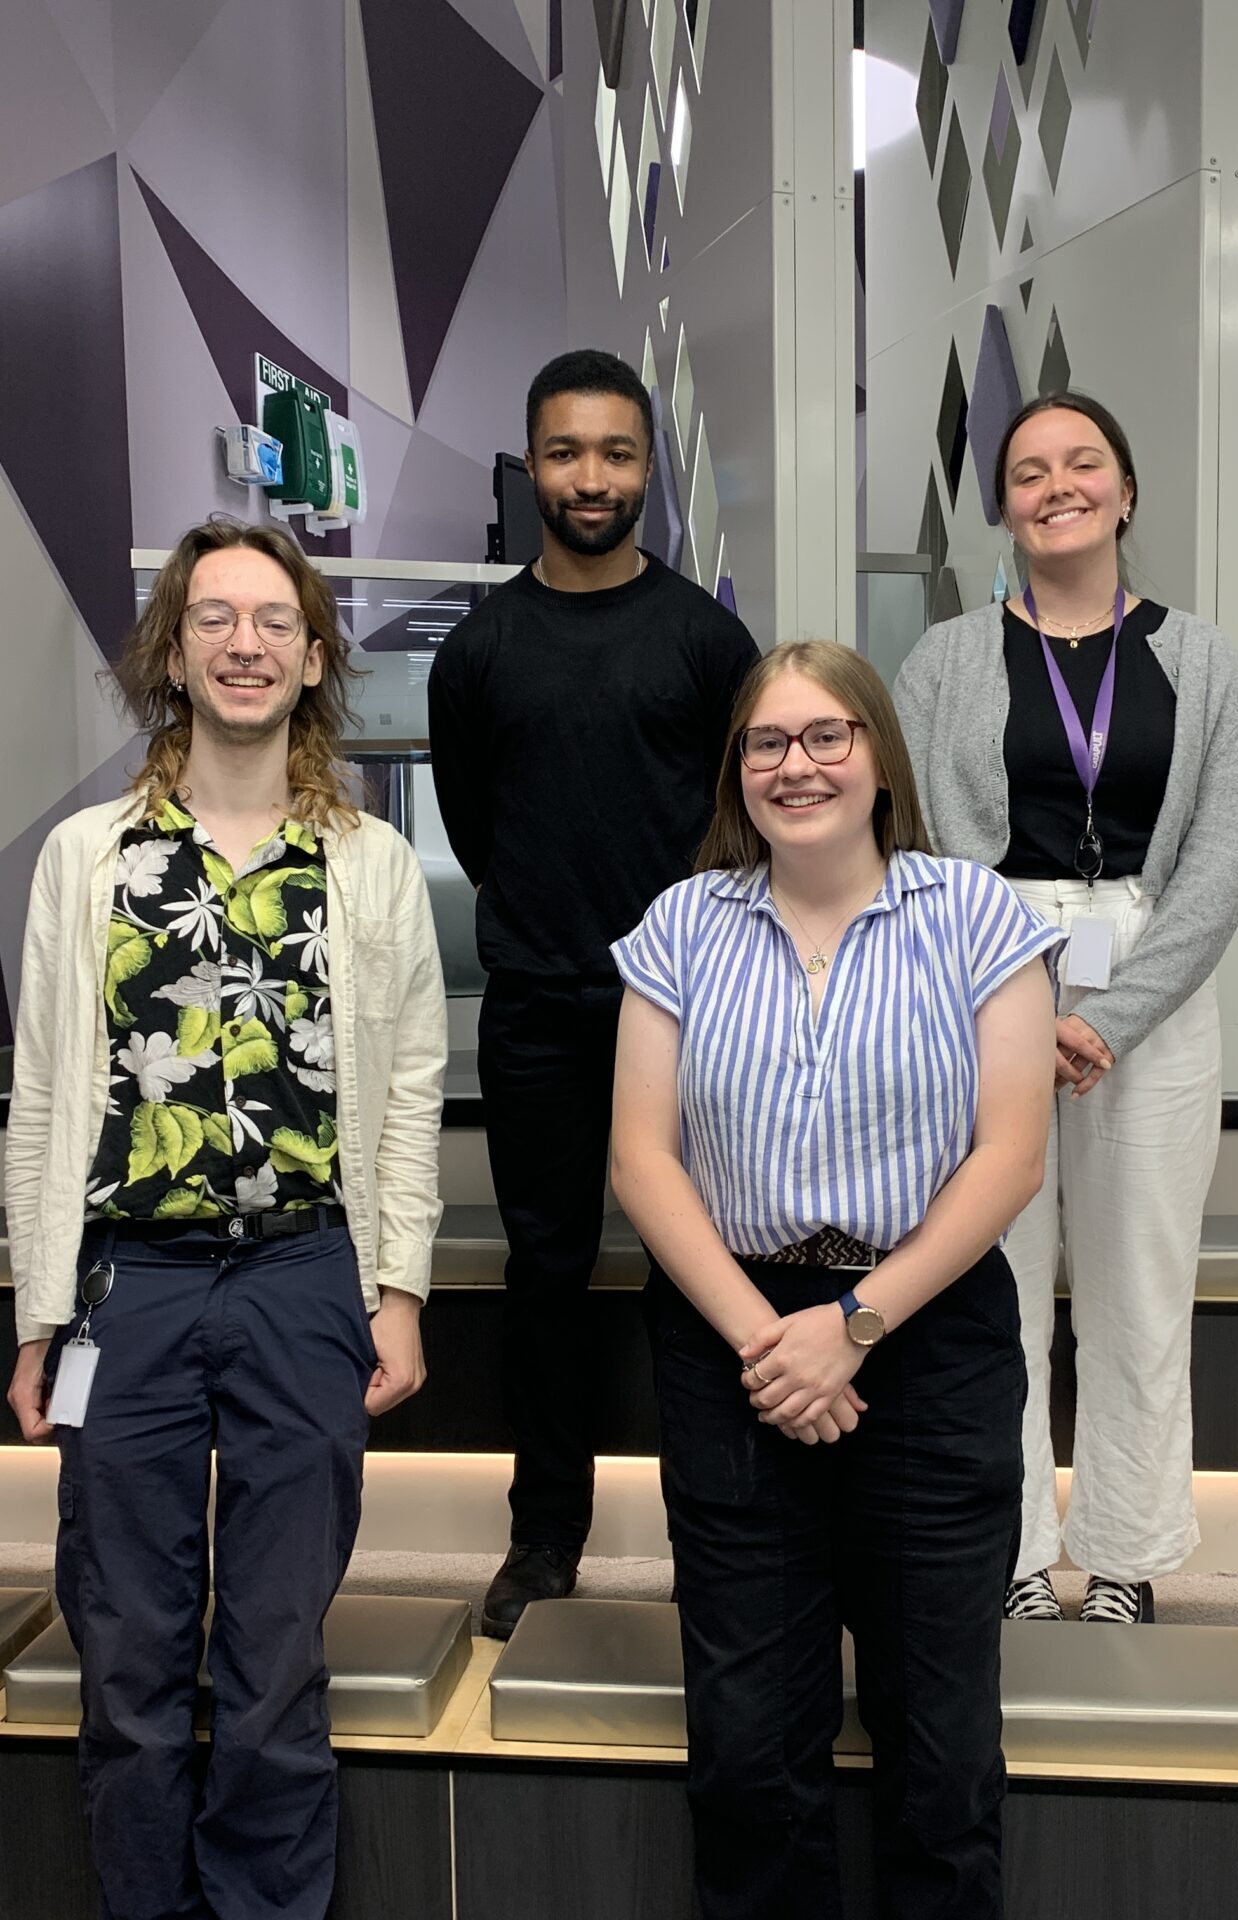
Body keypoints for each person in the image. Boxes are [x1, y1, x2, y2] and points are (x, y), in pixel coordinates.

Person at [3, 518, 446, 1920]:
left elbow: (410, 1092)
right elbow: (38, 1097)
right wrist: (38, 1316)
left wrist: (402, 1290)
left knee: (270, 1668)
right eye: (214, 620)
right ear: (174, 655)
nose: (243, 644)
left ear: (313, 659)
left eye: (272, 622)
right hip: (128, 1288)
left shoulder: (369, 867)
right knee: (127, 1666)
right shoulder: (87, 860)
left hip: (305, 1280)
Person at [610, 641, 1060, 1919]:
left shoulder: (976, 913)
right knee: (749, 1748)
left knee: (940, 1748)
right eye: (767, 743)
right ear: (735, 770)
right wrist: (776, 1345)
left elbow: (1012, 1155)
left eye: (826, 737)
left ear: (878, 756)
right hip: (730, 1338)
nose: (795, 765)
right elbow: (642, 1161)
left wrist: (853, 1326)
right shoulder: (682, 924)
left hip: (926, 1333)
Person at [896, 391, 1238, 1626]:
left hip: (1151, 995)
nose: (1057, 485)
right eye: (1029, 470)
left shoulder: (1203, 661)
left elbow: (1219, 863)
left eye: (1083, 463)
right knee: (986, 1285)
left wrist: (1110, 1015)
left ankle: (1124, 1551)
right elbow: (919, 848)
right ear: (1001, 503)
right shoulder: (944, 660)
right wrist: (1018, 1000)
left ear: (1126, 490)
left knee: (1141, 1283)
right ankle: (1002, 1548)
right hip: (981, 985)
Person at [428, 347, 760, 1636]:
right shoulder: (480, 649)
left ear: (647, 471)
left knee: (711, 1269)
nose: (590, 477)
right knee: (546, 1275)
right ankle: (543, 1537)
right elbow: (473, 823)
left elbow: (746, 814)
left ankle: (722, 1529)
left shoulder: (704, 639)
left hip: (688, 1005)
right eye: (565, 452)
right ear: (530, 466)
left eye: (617, 454)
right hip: (537, 1011)